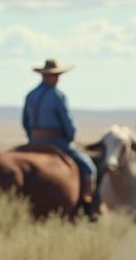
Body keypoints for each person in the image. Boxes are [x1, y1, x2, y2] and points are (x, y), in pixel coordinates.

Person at [22, 58, 98, 216]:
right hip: (56, 141)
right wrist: (70, 137)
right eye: (55, 75)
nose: (57, 79)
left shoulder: (30, 95)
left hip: (34, 140)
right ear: (47, 76)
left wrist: (32, 138)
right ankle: (87, 202)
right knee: (88, 166)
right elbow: (67, 122)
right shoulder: (58, 96)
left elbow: (25, 121)